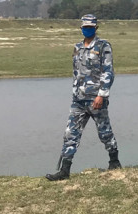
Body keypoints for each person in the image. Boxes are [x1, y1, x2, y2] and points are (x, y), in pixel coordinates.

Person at [46, 14, 121, 181]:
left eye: (90, 27)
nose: (87, 30)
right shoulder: (77, 47)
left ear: (96, 28)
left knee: (104, 132)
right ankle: (64, 171)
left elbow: (108, 72)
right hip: (78, 100)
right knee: (70, 133)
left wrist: (101, 95)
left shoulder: (103, 46)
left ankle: (114, 161)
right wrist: (74, 93)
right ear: (81, 28)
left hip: (96, 100)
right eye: (85, 27)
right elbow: (76, 72)